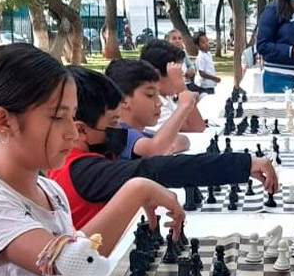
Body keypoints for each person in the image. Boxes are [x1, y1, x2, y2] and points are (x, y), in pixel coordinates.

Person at [0, 44, 184, 276]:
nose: (73, 132)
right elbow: (67, 262)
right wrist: (138, 189)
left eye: (72, 117)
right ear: (4, 121)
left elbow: (84, 259)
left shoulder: (50, 190)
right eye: (57, 117)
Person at [48, 66, 278, 229]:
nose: (120, 131)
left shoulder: (85, 158)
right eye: (112, 124)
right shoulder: (84, 170)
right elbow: (161, 169)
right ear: (80, 130)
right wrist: (244, 164)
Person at [104, 59, 190, 159]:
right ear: (123, 101)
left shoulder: (141, 133)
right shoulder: (121, 132)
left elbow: (184, 140)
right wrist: (183, 107)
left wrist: (166, 146)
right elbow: (155, 149)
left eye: (158, 95)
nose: (159, 103)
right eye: (150, 95)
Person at [140, 39, 205, 133]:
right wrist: (181, 87)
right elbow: (197, 127)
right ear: (156, 75)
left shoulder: (166, 98)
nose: (181, 79)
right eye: (176, 75)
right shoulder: (155, 104)